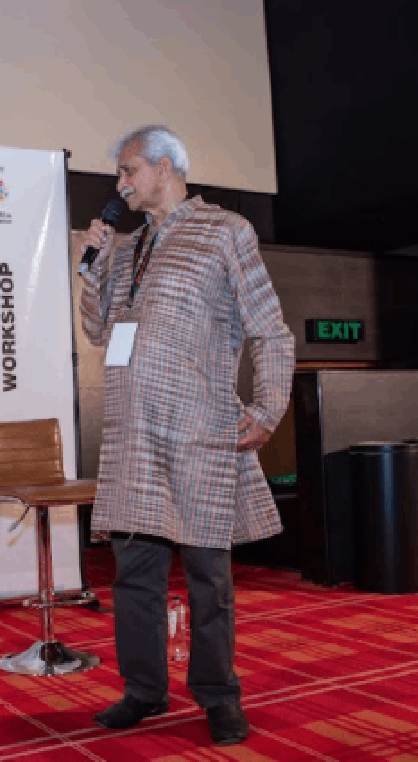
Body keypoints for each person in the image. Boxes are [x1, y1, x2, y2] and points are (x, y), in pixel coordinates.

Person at [79, 126, 294, 746]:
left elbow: (269, 329)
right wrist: (94, 265)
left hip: (198, 432)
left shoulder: (224, 231)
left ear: (166, 167)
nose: (120, 184)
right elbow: (98, 331)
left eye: (128, 170)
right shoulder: (130, 246)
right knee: (134, 577)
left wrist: (268, 407)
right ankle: (144, 690)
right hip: (132, 437)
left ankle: (219, 696)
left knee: (208, 578)